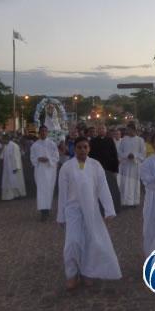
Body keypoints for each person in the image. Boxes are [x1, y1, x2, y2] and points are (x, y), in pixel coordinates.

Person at [57, 137, 121, 290]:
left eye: (85, 147)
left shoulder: (95, 165)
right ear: (75, 149)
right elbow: (62, 194)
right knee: (73, 242)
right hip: (72, 210)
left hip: (91, 210)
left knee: (91, 241)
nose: (82, 150)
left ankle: (87, 272)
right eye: (79, 147)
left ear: (89, 149)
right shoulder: (66, 167)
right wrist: (61, 216)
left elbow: (103, 188)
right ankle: (72, 274)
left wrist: (109, 210)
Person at [89, 124, 121, 214]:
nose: (101, 130)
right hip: (96, 169)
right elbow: (90, 156)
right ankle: (98, 208)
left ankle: (113, 208)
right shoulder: (93, 141)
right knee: (97, 189)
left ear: (106, 130)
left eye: (103, 128)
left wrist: (115, 169)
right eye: (99, 129)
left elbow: (114, 155)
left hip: (109, 168)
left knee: (111, 189)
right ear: (97, 131)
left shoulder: (110, 140)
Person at [30, 126, 59, 220]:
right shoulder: (35, 145)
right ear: (39, 133)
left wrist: (48, 159)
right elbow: (32, 157)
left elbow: (56, 157)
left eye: (45, 131)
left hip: (50, 171)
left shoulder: (52, 144)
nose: (43, 133)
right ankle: (43, 212)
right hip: (40, 170)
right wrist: (38, 159)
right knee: (41, 191)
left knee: (49, 190)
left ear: (47, 132)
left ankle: (47, 209)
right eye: (41, 131)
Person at [118, 123, 146, 207]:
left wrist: (134, 156)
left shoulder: (140, 140)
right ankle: (125, 201)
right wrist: (127, 155)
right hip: (126, 165)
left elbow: (143, 153)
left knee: (134, 183)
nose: (127, 131)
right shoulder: (124, 139)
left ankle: (134, 201)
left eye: (129, 129)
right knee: (125, 183)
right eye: (127, 129)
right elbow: (120, 151)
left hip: (135, 165)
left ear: (134, 130)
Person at [1, 135, 26, 200]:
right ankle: (9, 196)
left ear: (7, 139)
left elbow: (17, 157)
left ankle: (19, 194)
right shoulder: (5, 146)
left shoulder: (14, 146)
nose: (2, 141)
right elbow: (2, 156)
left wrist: (16, 167)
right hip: (7, 167)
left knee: (16, 181)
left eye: (3, 140)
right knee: (8, 182)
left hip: (13, 167)